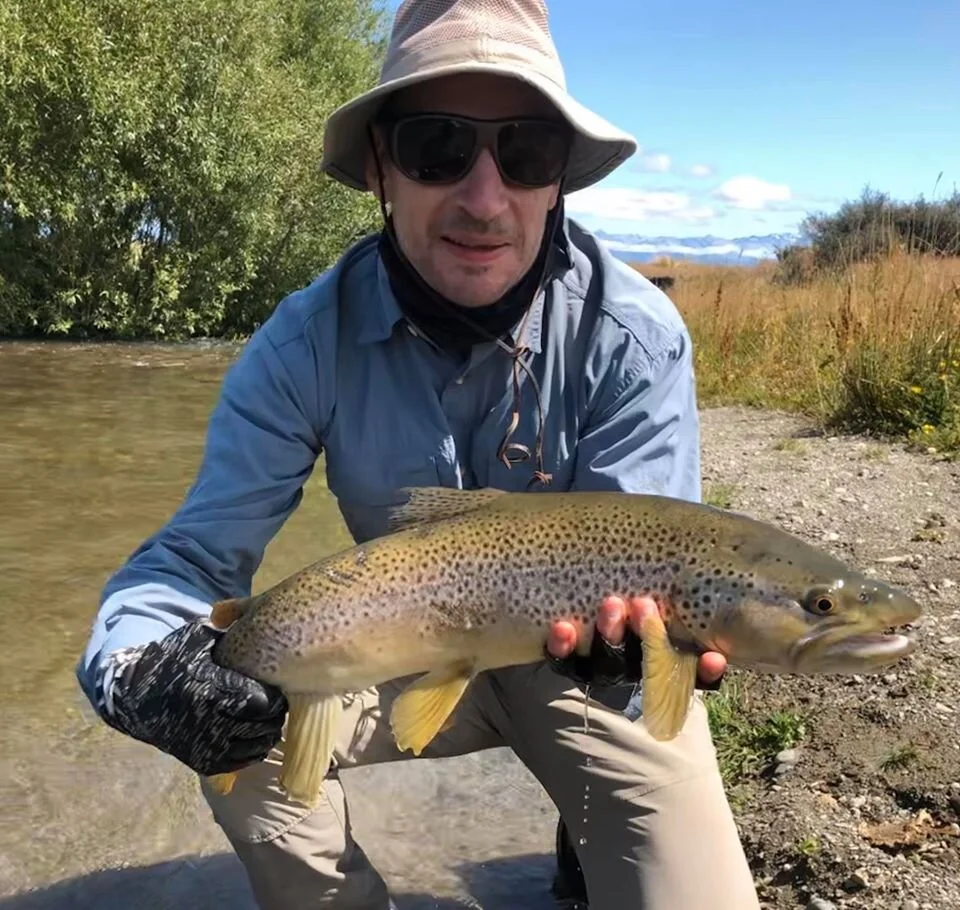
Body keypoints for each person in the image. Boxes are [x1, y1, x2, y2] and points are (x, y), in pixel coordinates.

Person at [75, 1, 761, 908]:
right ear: (379, 168)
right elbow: (191, 562)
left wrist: (630, 654)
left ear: (559, 179)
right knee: (235, 735)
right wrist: (130, 667)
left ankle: (583, 827)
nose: (485, 199)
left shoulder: (632, 337)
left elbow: (648, 556)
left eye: (524, 154)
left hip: (572, 672)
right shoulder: (301, 344)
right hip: (400, 648)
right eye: (438, 146)